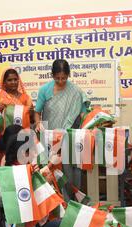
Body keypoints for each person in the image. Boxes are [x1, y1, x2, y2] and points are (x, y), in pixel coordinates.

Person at [34, 59, 90, 194]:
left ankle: (73, 198)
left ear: (68, 75)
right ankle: (57, 200)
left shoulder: (76, 91)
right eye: (57, 78)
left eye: (64, 78)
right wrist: (37, 123)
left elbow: (83, 113)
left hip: (71, 136)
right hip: (50, 137)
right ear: (52, 75)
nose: (60, 81)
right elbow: (37, 112)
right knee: (53, 168)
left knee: (72, 168)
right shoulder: (45, 90)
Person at [0, 69, 34, 183]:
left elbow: (32, 119)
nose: (13, 82)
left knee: (22, 169)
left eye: (15, 79)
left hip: (22, 140)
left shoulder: (26, 98)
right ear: (4, 82)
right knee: (5, 166)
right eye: (9, 80)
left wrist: (30, 112)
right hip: (5, 139)